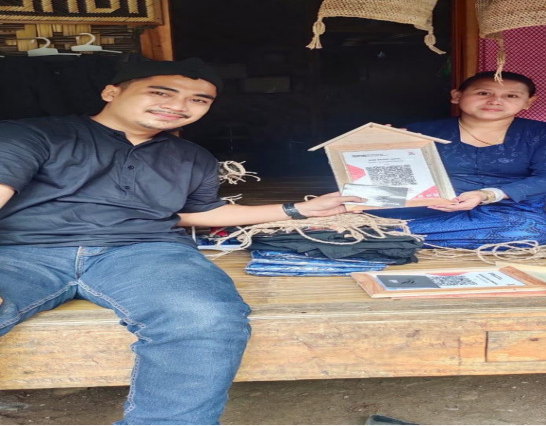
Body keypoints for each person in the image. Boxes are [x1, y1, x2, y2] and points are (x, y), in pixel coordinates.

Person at [0, 58, 363, 425]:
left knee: (205, 317)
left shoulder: (192, 157)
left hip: (144, 252)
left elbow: (199, 212)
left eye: (198, 100)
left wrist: (299, 210)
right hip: (20, 251)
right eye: (161, 93)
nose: (178, 106)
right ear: (111, 92)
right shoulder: (33, 135)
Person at [371, 71, 546, 249]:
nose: (495, 101)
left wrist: (486, 195)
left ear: (528, 102)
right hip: (432, 208)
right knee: (371, 213)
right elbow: (392, 177)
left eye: (511, 95)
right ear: (457, 96)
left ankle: (380, 236)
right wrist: (379, 147)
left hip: (507, 211)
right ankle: (390, 235)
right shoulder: (420, 131)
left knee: (531, 231)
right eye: (483, 93)